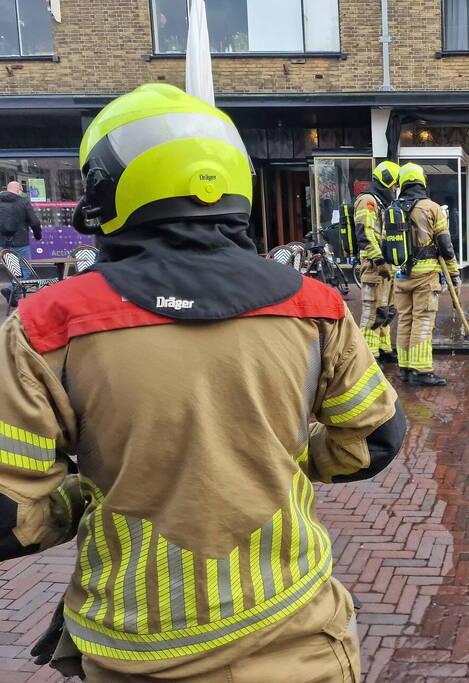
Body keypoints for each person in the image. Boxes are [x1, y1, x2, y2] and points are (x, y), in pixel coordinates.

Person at [0, 84, 406, 680]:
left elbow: (13, 514)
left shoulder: (46, 325)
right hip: (298, 636)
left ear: (107, 188)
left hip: (132, 647)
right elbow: (374, 440)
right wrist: (284, 464)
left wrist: (93, 497)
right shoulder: (314, 307)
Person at [393, 163, 461, 387]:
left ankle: (404, 368)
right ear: (422, 181)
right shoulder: (432, 208)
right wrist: (454, 275)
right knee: (422, 321)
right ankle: (421, 371)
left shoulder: (391, 208)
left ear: (402, 182)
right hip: (425, 276)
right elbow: (445, 245)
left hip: (400, 276)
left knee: (404, 320)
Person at [354, 161, 401, 364]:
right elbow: (364, 235)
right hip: (374, 267)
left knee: (386, 310)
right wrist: (379, 260)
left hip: (385, 267)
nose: (396, 189)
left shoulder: (380, 202)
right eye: (394, 185)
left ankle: (384, 348)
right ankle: (368, 356)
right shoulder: (367, 201)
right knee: (372, 312)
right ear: (386, 181)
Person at [0, 180, 42, 271]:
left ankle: (15, 284)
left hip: (2, 243)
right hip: (20, 243)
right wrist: (38, 235)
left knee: (11, 271)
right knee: (25, 269)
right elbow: (35, 222)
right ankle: (18, 285)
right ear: (18, 189)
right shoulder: (23, 202)